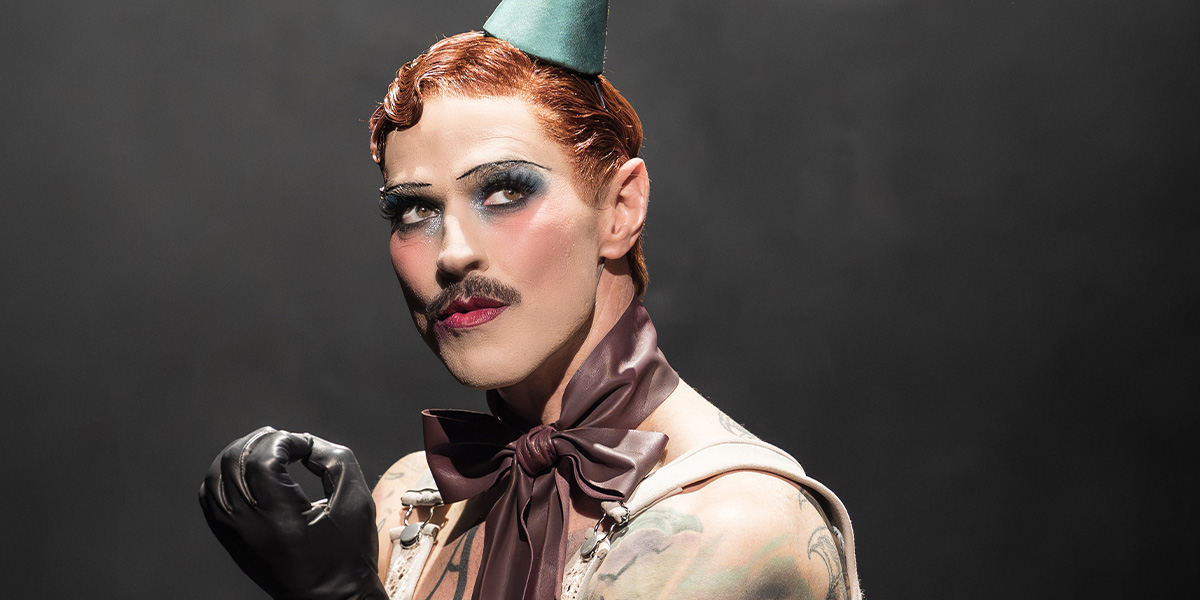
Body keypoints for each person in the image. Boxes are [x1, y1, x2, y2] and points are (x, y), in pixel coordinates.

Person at [199, 2, 861, 599]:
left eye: (505, 191)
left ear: (620, 209)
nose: (453, 254)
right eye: (414, 210)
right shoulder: (413, 500)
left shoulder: (734, 526)